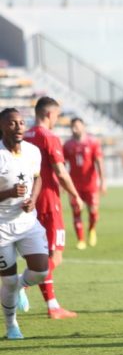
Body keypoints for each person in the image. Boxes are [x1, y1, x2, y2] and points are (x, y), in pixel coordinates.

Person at [23, 97, 83, 319]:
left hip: (32, 201)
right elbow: (60, 170)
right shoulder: (49, 137)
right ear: (49, 114)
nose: (57, 119)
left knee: (42, 254)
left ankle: (52, 306)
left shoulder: (26, 136)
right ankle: (21, 285)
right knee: (55, 257)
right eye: (57, 115)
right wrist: (75, 195)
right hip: (49, 201)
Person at [0, 108, 52, 339]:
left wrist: (34, 199)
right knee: (8, 281)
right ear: (2, 126)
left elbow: (37, 178)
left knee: (41, 270)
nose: (19, 126)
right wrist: (9, 192)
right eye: (12, 123)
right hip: (1, 226)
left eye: (21, 122)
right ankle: (11, 326)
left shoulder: (32, 152)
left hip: (27, 221)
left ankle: (22, 286)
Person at [63, 117, 105, 250]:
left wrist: (103, 181)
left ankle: (92, 230)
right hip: (74, 186)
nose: (76, 128)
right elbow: (62, 165)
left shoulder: (93, 142)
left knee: (93, 211)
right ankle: (80, 239)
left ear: (83, 127)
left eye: (78, 125)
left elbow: (99, 162)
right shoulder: (68, 145)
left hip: (91, 184)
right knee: (76, 211)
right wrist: (63, 184)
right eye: (73, 126)